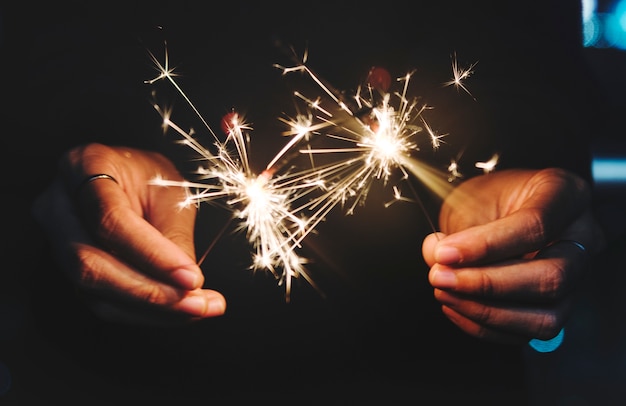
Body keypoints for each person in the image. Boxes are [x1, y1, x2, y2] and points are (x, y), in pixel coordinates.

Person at [2, 1, 617, 404]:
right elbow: (39, 44)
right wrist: (74, 155)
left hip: (429, 375)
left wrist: (530, 166)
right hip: (112, 377)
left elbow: (535, 58)